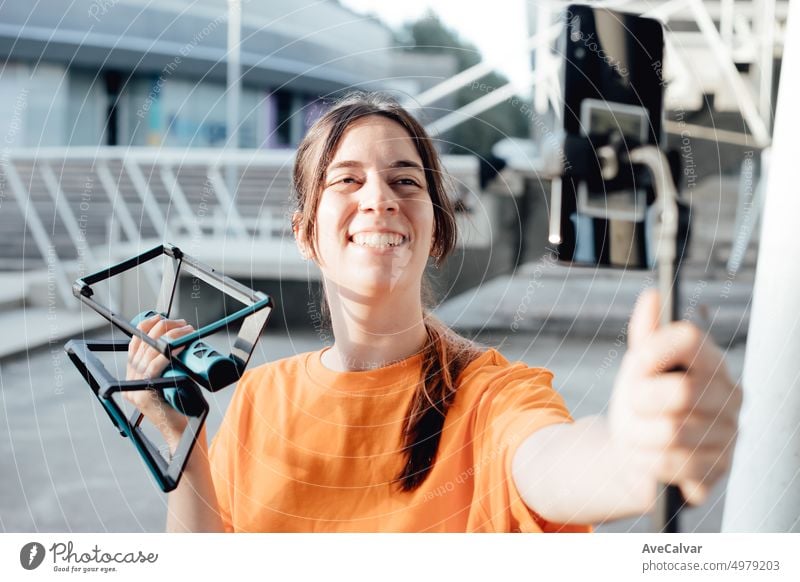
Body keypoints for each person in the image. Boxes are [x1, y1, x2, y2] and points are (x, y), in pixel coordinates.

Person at [125, 92, 741, 533]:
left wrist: (631, 452)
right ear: (305, 234)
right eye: (346, 180)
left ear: (435, 229)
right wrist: (184, 439)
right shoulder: (260, 399)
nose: (379, 199)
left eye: (405, 181)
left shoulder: (495, 396)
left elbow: (551, 462)